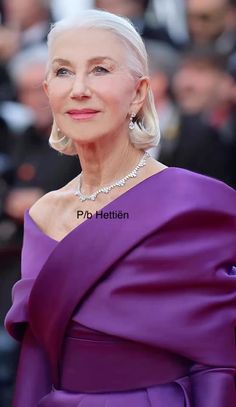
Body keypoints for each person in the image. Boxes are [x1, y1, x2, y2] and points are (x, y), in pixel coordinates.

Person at [4, 9, 236, 407]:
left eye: (100, 70)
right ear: (47, 92)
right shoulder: (43, 215)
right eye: (62, 72)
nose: (78, 88)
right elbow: (36, 355)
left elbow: (220, 362)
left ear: (139, 91)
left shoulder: (196, 204)